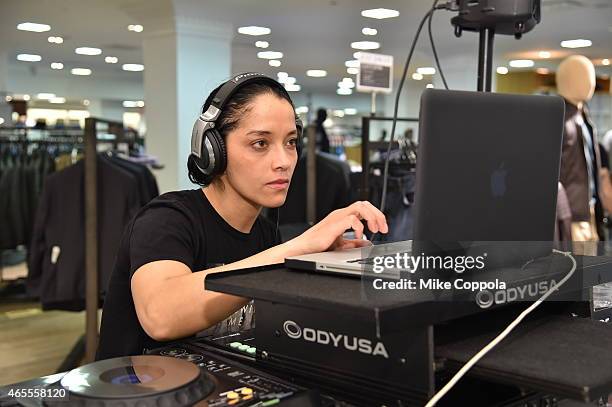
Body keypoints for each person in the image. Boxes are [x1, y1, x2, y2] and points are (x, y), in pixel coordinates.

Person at [97, 73, 388, 359]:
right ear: (214, 150)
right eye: (260, 143)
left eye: (290, 143)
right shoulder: (167, 219)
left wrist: (319, 266)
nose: (284, 162)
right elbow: (161, 316)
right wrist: (298, 247)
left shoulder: (265, 236)